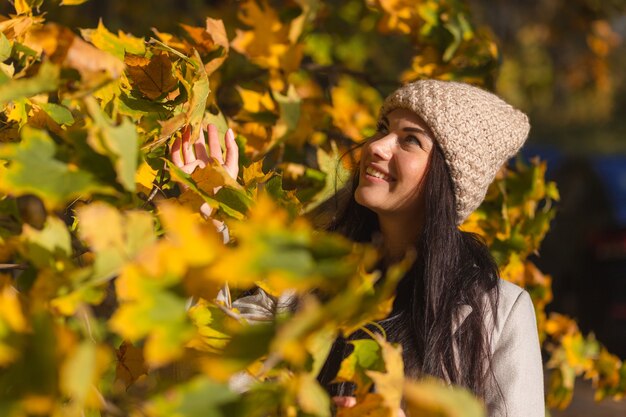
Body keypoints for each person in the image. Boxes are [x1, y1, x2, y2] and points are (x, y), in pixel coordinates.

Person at [169, 79, 545, 417]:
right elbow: (204, 369)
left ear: (447, 180)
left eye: (410, 139)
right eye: (383, 130)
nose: (377, 147)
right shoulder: (307, 277)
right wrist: (203, 224)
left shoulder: (499, 314)